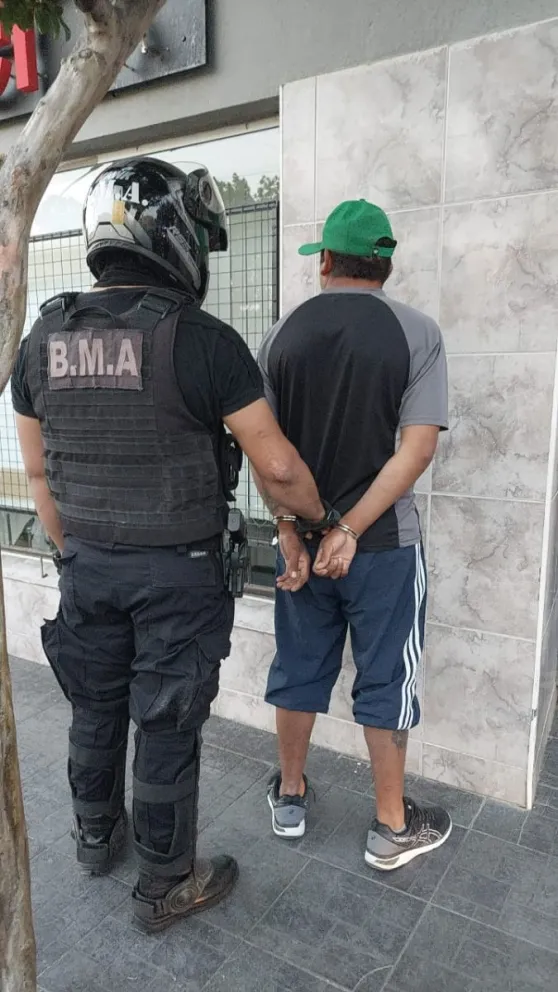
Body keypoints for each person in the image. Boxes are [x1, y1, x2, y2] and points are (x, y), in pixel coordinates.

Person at [11, 156, 330, 932]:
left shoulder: (41, 338)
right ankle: (164, 884)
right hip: (177, 574)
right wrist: (319, 522)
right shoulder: (201, 341)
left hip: (86, 563)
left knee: (95, 707)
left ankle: (95, 840)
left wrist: (74, 553)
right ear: (174, 236)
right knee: (165, 719)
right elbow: (280, 469)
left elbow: (36, 475)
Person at [258, 199, 452, 871]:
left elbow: (268, 454)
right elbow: (417, 450)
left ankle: (289, 797)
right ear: (385, 264)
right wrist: (353, 529)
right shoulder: (417, 332)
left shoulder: (283, 335)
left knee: (298, 668)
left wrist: (292, 529)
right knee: (386, 679)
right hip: (383, 548)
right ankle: (392, 828)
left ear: (328, 263)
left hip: (302, 550)